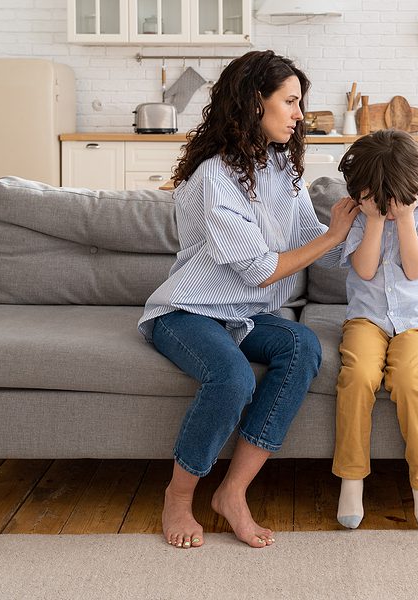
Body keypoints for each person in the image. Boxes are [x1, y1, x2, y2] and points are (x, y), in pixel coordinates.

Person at [138, 50, 359, 549]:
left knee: (302, 347)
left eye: (300, 103)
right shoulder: (215, 176)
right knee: (233, 378)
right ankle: (178, 496)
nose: (300, 114)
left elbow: (314, 244)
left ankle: (232, 493)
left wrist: (368, 222)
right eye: (290, 101)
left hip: (244, 315)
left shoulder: (281, 169)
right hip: (187, 311)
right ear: (256, 103)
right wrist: (333, 236)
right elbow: (261, 271)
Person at [331, 129, 418, 529]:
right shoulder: (361, 216)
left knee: (410, 382)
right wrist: (376, 220)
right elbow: (364, 269)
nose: (387, 206)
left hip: (416, 322)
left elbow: (415, 269)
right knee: (358, 377)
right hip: (367, 319)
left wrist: (406, 217)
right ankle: (351, 481)